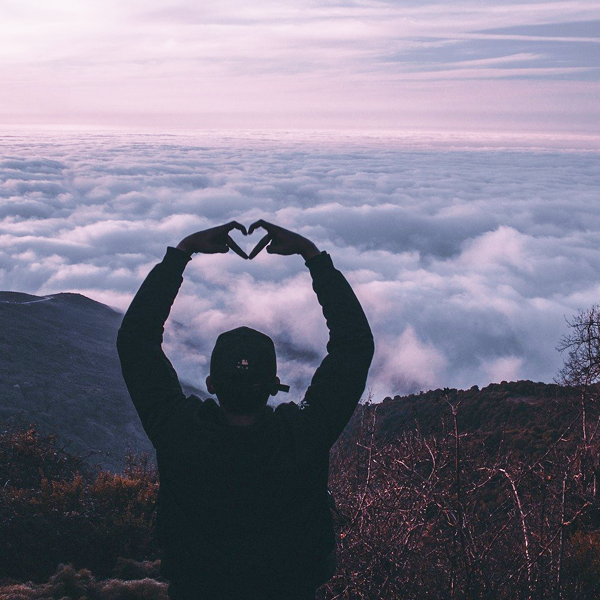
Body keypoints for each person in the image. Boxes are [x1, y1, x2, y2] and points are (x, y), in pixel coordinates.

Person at [117, 220, 374, 600]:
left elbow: (136, 341)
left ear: (210, 384)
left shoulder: (180, 434)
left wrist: (182, 252)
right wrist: (312, 255)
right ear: (274, 386)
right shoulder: (302, 436)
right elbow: (354, 345)